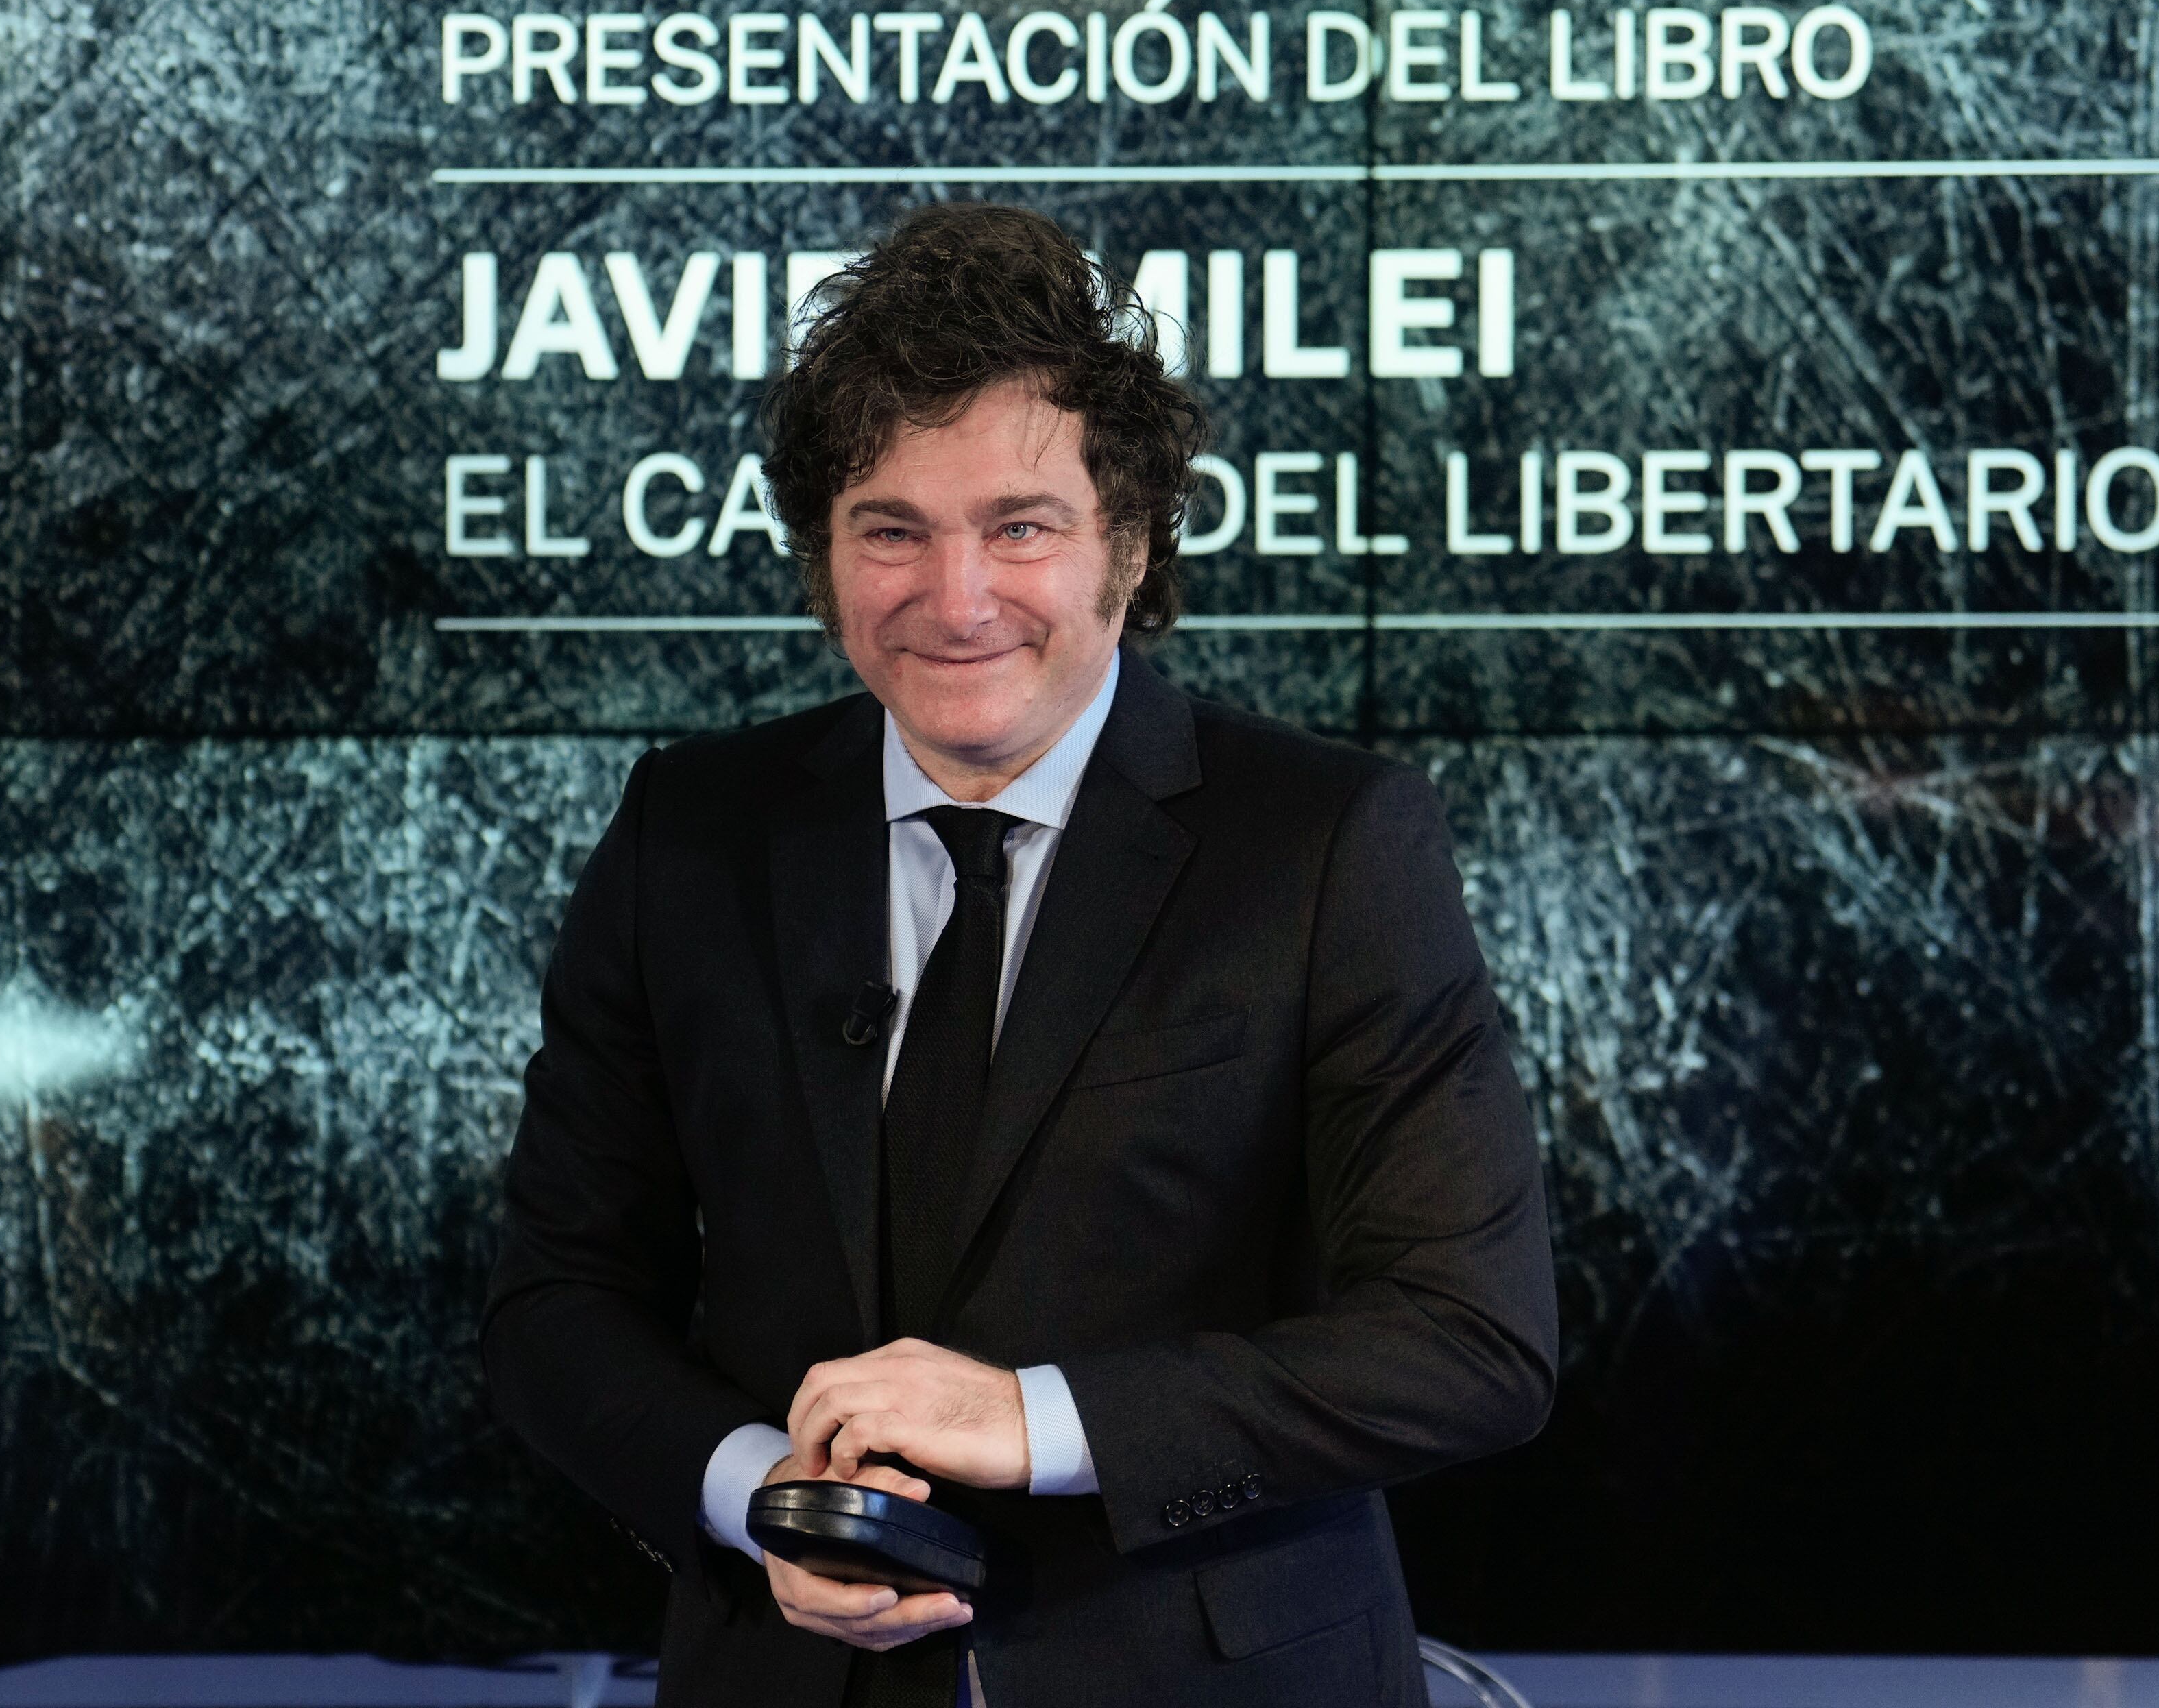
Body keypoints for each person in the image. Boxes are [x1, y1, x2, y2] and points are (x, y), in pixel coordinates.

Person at [482, 204, 1559, 1707]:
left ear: (1126, 542)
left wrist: (1037, 1419)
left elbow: (1466, 1338)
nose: (957, 595)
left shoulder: (1326, 844)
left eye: (1020, 525)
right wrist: (761, 1494)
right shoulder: (691, 837)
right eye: (890, 530)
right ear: (822, 554)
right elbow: (554, 1300)